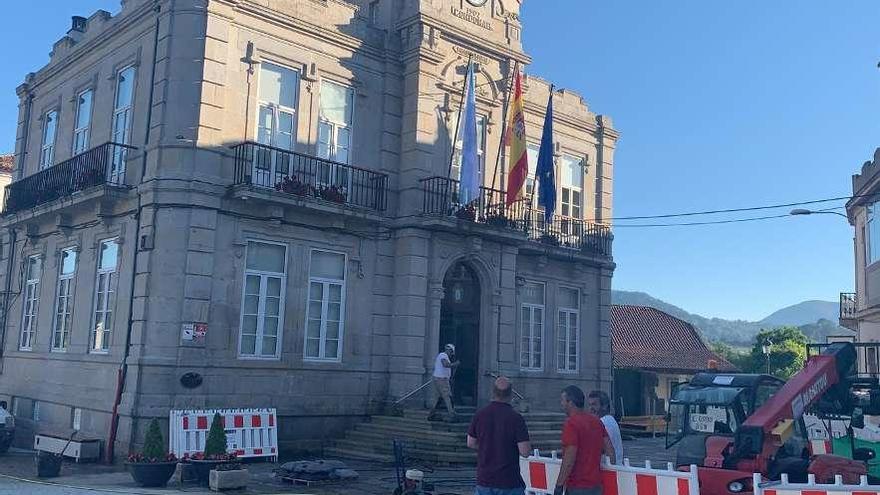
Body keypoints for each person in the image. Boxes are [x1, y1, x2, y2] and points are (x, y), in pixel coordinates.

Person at [466, 376, 531, 495]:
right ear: (510, 395)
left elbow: (470, 443)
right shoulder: (516, 418)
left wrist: (487, 446)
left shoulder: (480, 415)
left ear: (493, 392)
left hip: (485, 480)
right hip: (509, 481)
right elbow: (525, 452)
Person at [555, 385, 615, 495]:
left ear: (571, 403)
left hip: (577, 486)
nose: (561, 404)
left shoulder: (571, 424)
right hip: (596, 485)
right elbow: (610, 452)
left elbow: (569, 458)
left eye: (563, 401)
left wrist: (559, 484)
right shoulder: (597, 422)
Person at [587, 390, 623, 465]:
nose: (591, 408)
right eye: (589, 405)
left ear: (604, 406)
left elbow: (599, 448)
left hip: (609, 469)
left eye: (594, 405)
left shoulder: (603, 422)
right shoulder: (610, 419)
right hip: (615, 468)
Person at [428, 343, 459, 421]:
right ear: (449, 350)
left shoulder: (442, 355)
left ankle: (431, 414)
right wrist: (455, 364)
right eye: (451, 352)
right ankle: (452, 414)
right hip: (442, 379)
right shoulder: (443, 355)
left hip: (438, 378)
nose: (451, 354)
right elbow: (445, 364)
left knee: (436, 398)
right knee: (447, 396)